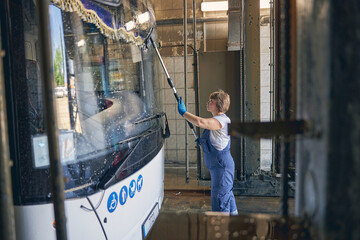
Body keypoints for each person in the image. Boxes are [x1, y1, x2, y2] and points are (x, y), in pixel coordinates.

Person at [177, 90, 238, 215]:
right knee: (226, 197)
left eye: (212, 101)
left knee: (220, 200)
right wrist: (204, 142)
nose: (208, 102)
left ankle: (221, 230)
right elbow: (214, 138)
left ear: (219, 105)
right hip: (218, 167)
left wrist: (184, 113)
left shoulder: (222, 120)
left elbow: (200, 123)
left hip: (222, 167)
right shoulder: (216, 120)